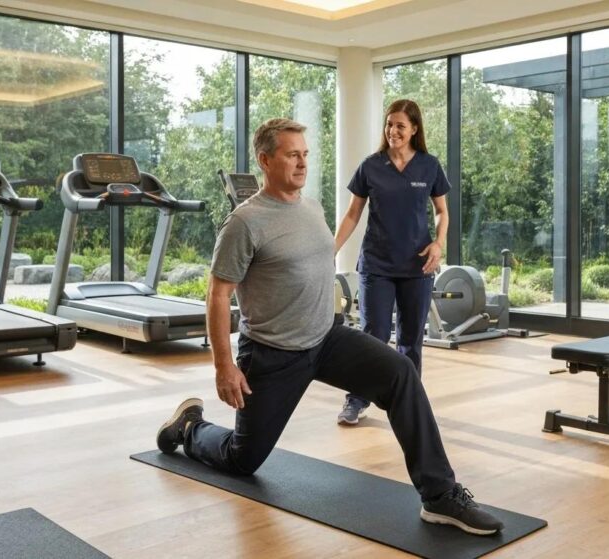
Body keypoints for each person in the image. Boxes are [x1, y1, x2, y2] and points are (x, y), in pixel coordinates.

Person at [156, 118, 503, 536]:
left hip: (327, 338)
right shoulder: (244, 223)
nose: (302, 163)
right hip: (273, 352)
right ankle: (191, 427)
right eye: (291, 155)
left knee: (400, 373)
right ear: (265, 161)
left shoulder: (312, 206)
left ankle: (440, 495)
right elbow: (217, 294)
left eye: (305, 154)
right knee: (241, 460)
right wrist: (223, 366)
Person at [333, 99, 449, 426]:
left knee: (411, 340)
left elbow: (442, 212)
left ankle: (408, 402)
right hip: (377, 265)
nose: (393, 130)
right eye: (389, 124)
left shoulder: (429, 166)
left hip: (417, 267)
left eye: (400, 125)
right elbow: (353, 214)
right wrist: (330, 248)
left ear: (414, 129)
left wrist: (438, 244)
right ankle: (357, 399)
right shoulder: (371, 166)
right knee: (373, 335)